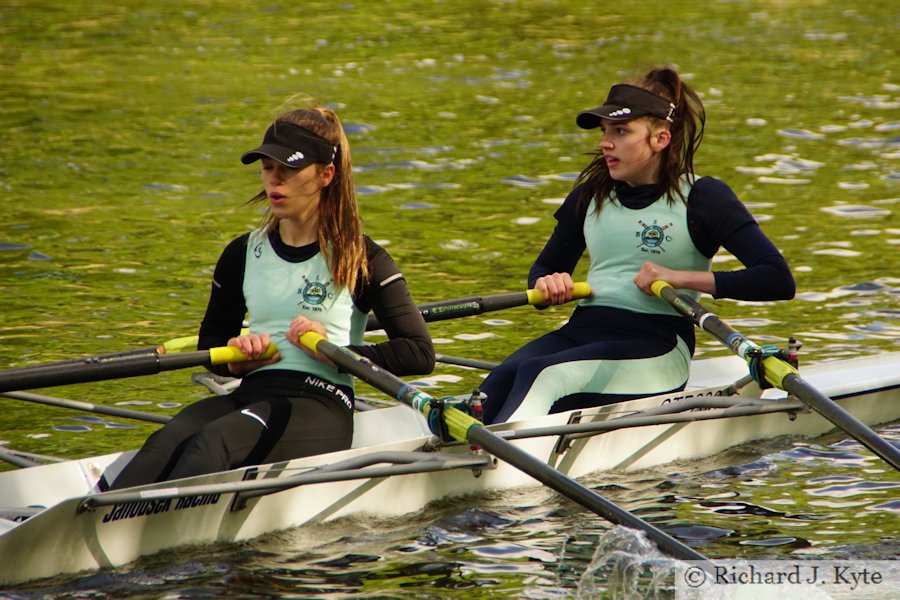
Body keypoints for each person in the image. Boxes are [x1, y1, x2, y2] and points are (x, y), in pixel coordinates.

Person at [108, 98, 434, 489]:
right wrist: (237, 360)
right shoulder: (242, 253)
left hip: (321, 404)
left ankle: (154, 537)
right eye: (268, 168)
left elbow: (419, 352)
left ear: (326, 174)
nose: (274, 180)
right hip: (253, 393)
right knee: (166, 441)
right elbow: (211, 344)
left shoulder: (360, 257)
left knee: (213, 443)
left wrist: (336, 354)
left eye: (289, 169)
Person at [480, 67, 795, 425]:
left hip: (658, 346)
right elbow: (541, 271)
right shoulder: (589, 197)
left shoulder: (705, 198)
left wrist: (681, 278)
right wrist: (547, 282)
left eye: (621, 131)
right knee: (504, 378)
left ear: (660, 139)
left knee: (545, 375)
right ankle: (470, 454)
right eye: (604, 131)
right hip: (583, 331)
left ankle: (494, 466)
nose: (605, 142)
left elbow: (776, 279)